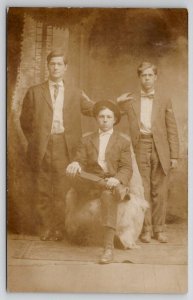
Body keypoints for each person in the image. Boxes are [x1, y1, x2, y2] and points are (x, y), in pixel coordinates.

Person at [20, 49, 91, 241]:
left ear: (65, 68)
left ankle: (59, 228)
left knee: (62, 188)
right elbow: (25, 121)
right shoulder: (35, 92)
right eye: (52, 64)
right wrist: (37, 140)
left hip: (65, 145)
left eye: (60, 64)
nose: (56, 67)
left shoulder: (75, 92)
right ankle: (45, 228)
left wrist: (115, 105)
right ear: (48, 66)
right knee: (42, 187)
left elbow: (91, 109)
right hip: (42, 145)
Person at [117, 61, 179, 243]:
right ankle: (146, 229)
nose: (147, 78)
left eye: (150, 75)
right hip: (139, 147)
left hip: (160, 148)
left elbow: (172, 127)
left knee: (159, 190)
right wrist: (118, 103)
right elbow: (114, 117)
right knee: (142, 189)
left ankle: (159, 230)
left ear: (156, 77)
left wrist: (174, 155)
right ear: (139, 78)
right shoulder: (130, 99)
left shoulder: (164, 99)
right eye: (144, 75)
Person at [66, 100, 133, 263]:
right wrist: (75, 163)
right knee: (71, 171)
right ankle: (110, 187)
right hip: (90, 182)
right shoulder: (86, 140)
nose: (105, 120)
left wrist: (116, 179)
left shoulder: (123, 141)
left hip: (111, 183)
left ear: (115, 119)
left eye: (108, 117)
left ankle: (108, 248)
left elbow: (126, 168)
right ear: (96, 118)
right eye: (101, 116)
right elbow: (80, 160)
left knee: (108, 195)